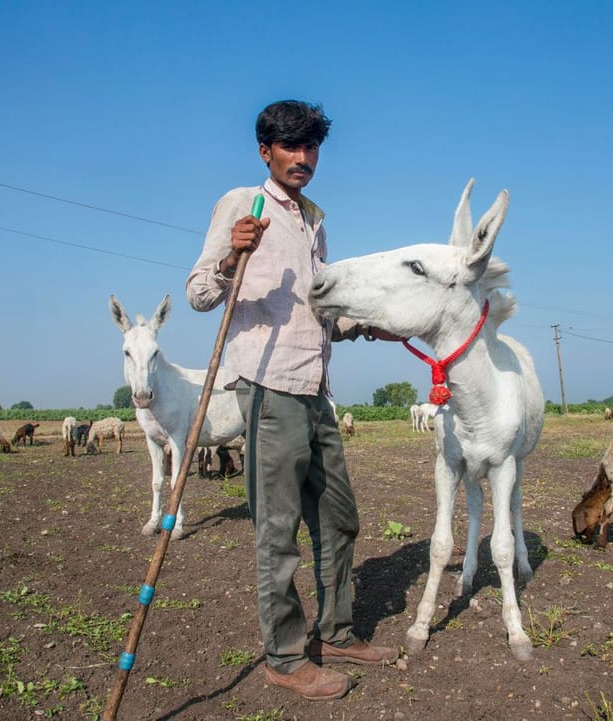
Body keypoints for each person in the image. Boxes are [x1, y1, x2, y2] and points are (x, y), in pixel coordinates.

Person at [186, 99, 399, 701]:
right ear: (266, 152)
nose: (303, 157)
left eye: (311, 147)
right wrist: (232, 255)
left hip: (315, 389)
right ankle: (283, 656)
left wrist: (368, 323)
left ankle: (335, 632)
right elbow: (200, 292)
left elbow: (317, 313)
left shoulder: (313, 221)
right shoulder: (242, 204)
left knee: (338, 517)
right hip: (268, 385)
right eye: (290, 146)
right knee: (278, 530)